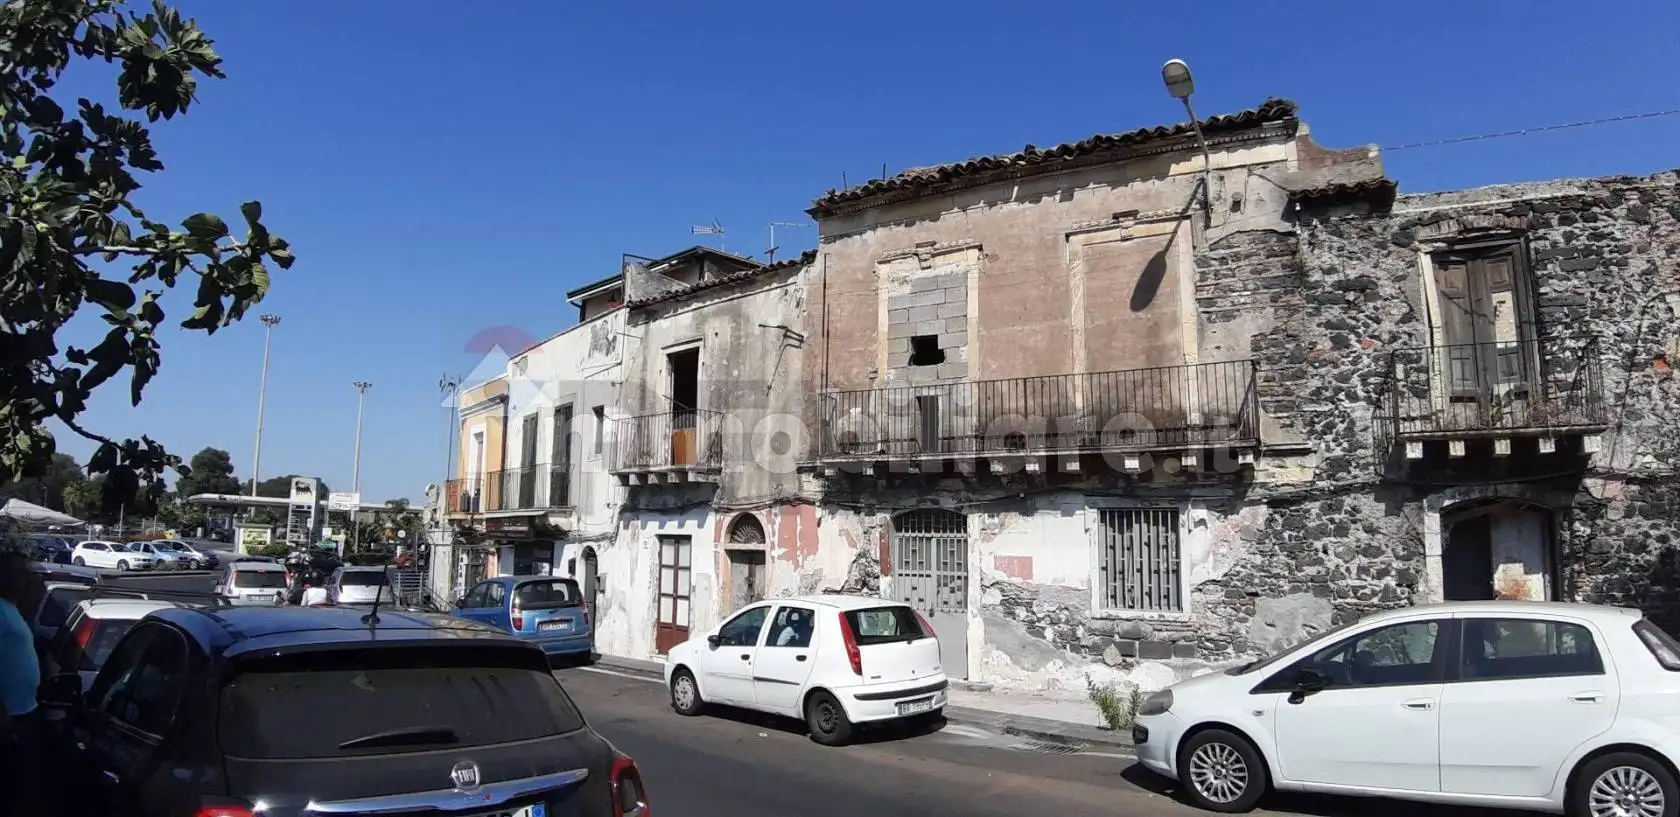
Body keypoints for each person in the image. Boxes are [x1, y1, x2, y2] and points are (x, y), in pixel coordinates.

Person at [0, 550, 43, 816]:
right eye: (21, 572)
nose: (27, 578)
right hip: (8, 718)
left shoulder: (11, 608)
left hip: (23, 712)